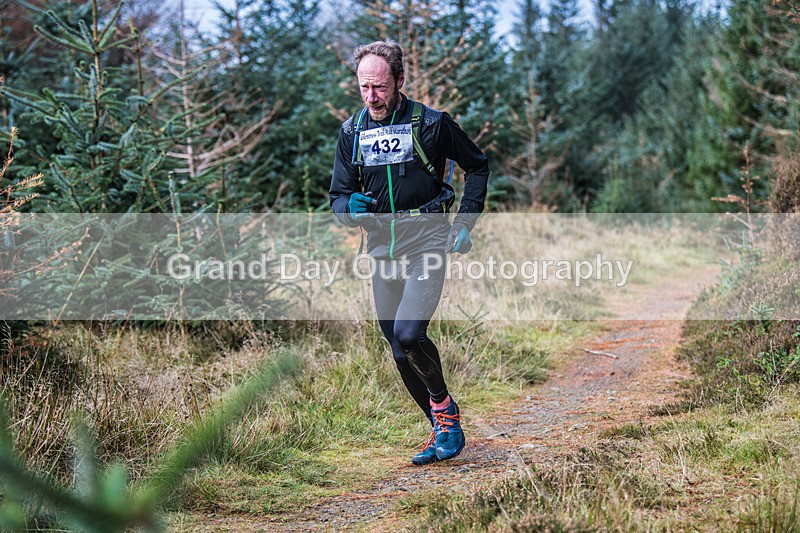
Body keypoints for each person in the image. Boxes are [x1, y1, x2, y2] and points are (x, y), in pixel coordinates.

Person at [329, 39, 489, 465]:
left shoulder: (432, 124)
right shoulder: (352, 133)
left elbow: (478, 165)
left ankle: (446, 418)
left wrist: (465, 223)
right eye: (364, 87)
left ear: (399, 80)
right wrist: (349, 210)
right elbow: (338, 196)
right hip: (382, 248)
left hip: (428, 242)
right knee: (397, 346)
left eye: (380, 87)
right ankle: (442, 424)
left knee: (408, 333)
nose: (372, 97)